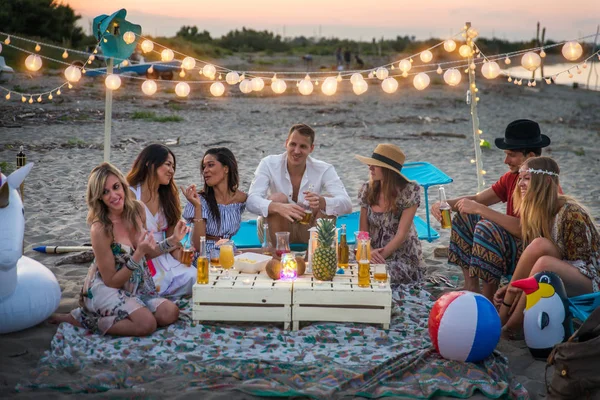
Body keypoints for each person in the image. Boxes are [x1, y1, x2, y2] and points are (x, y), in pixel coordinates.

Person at [50, 163, 182, 336]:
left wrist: (173, 240)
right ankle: (81, 319)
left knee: (170, 313)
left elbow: (148, 252)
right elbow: (112, 281)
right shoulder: (101, 228)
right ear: (98, 198)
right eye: (105, 192)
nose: (113, 195)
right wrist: (138, 254)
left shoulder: (137, 209)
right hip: (107, 288)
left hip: (135, 285)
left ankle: (131, 312)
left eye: (115, 187)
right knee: (147, 325)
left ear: (122, 185)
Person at [431, 119, 551, 301]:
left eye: (511, 155)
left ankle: (488, 299)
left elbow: (524, 229)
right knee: (465, 217)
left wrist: (480, 210)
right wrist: (445, 204)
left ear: (530, 156)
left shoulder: (544, 185)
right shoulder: (511, 178)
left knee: (486, 227)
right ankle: (471, 287)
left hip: (531, 255)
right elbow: (479, 199)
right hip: (511, 246)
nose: (505, 160)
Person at [497, 157, 600, 338]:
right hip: (566, 270)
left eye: (527, 178)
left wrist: (526, 285)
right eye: (520, 178)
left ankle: (512, 327)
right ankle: (502, 317)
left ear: (545, 182)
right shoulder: (541, 211)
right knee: (539, 246)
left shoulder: (571, 213)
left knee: (544, 264)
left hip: (592, 280)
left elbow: (585, 265)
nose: (520, 183)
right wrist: (515, 286)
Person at [247, 123, 352, 247]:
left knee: (329, 203)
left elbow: (347, 205)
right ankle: (280, 255)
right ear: (286, 143)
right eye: (293, 144)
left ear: (311, 148)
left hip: (308, 227)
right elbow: (251, 201)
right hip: (275, 229)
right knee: (278, 198)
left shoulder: (324, 168)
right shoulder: (268, 163)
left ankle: (314, 257)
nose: (296, 151)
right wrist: (277, 207)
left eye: (303, 146)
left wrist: (322, 201)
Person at [127, 144, 196, 298]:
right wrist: (172, 242)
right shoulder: (131, 195)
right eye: (168, 164)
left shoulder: (168, 196)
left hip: (165, 254)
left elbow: (173, 238)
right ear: (150, 164)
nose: (172, 170)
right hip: (143, 256)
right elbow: (139, 243)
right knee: (157, 283)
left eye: (173, 166)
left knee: (194, 276)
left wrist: (181, 255)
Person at [355, 144, 426, 286]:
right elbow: (363, 232)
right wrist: (368, 251)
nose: (370, 167)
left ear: (388, 170)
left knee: (377, 275)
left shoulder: (409, 191)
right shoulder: (367, 189)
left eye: (376, 165)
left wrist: (379, 257)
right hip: (371, 252)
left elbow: (402, 234)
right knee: (349, 270)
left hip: (401, 256)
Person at [181, 147, 247, 257]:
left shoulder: (242, 199)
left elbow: (262, 208)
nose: (205, 170)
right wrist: (197, 207)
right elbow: (197, 246)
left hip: (229, 253)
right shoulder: (200, 200)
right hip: (205, 256)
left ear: (226, 169)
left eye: (210, 165)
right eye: (204, 167)